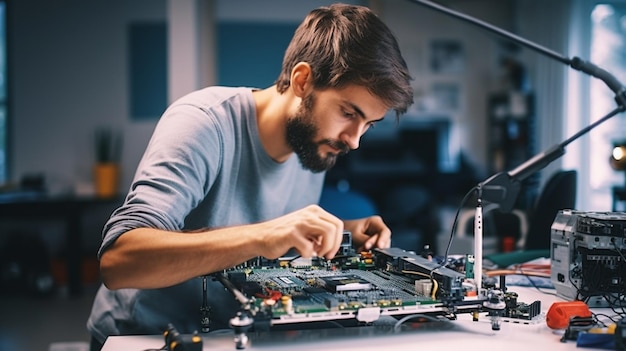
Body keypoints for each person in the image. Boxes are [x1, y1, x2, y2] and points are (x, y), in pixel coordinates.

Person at [87, 3, 413, 350]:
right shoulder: (203, 123)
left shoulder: (313, 145)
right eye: (348, 113)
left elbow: (266, 232)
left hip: (231, 336)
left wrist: (341, 231)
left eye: (368, 125)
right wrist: (266, 234)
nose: (354, 140)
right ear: (303, 80)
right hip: (143, 337)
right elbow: (119, 261)